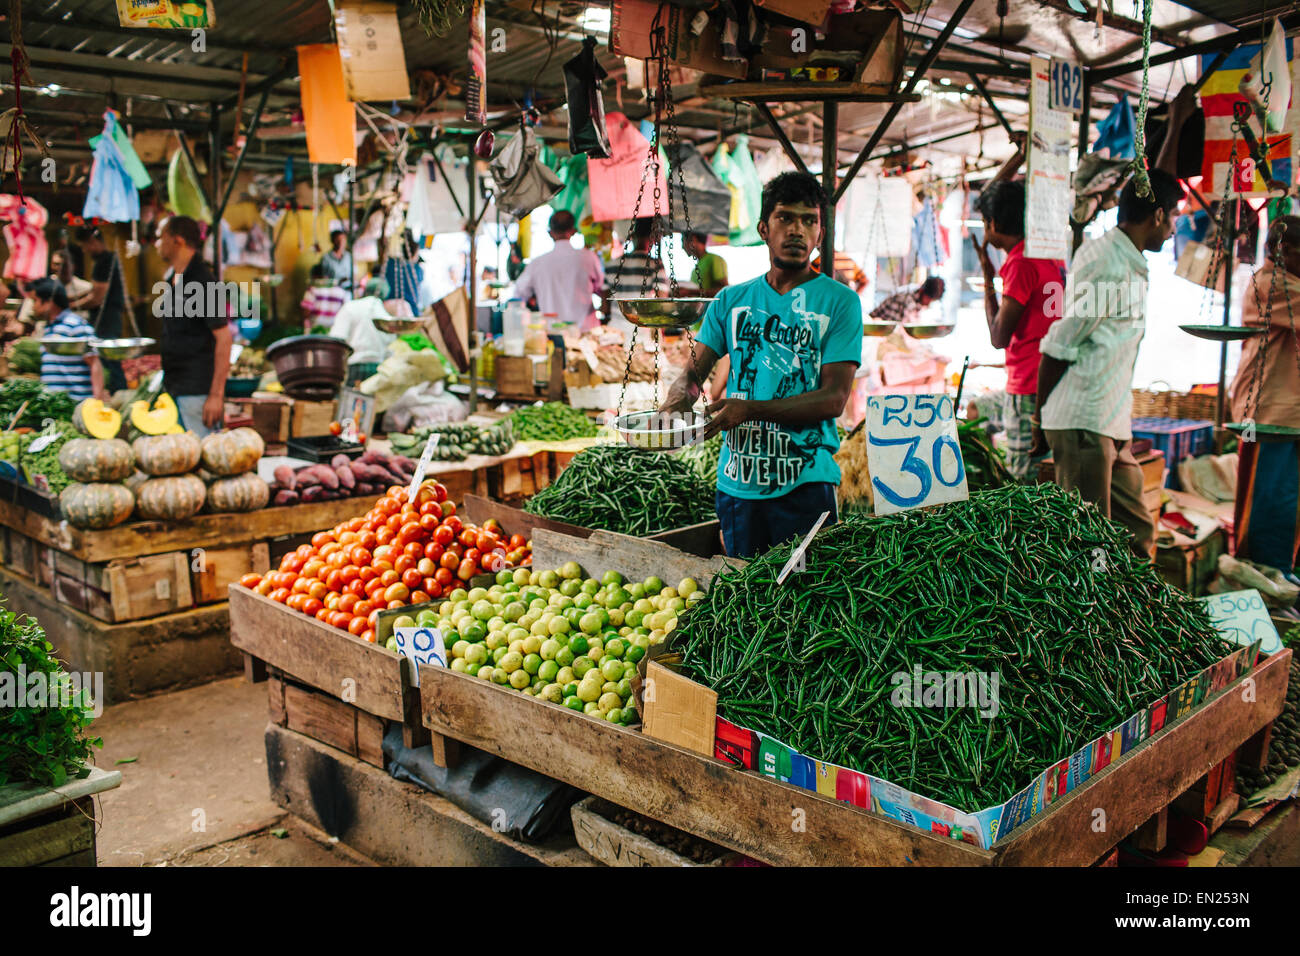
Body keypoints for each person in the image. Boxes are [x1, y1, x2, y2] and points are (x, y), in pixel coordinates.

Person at [662, 171, 862, 558]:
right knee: (749, 603)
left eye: (809, 221)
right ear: (763, 228)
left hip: (805, 485)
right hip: (738, 487)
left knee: (807, 605)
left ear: (820, 234)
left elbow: (834, 399)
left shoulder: (839, 302)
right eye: (785, 218)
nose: (797, 231)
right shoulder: (730, 301)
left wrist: (750, 409)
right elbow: (693, 373)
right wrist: (676, 400)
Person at [1035, 169, 1185, 560]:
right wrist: (1039, 420)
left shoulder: (1127, 259)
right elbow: (1060, 343)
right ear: (1157, 216)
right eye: (1174, 217)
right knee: (1090, 548)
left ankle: (1137, 616)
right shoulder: (1108, 263)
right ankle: (1084, 620)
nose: (1173, 229)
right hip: (1083, 420)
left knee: (1136, 534)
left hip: (1109, 423)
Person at [973, 180, 1067, 480]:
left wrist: (988, 281)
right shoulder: (1049, 253)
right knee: (976, 412)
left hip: (1028, 386)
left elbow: (999, 337)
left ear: (993, 223)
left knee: (1022, 484)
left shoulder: (1021, 263)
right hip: (1050, 383)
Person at [1228, 216, 1300, 583]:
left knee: (1287, 501)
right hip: (1266, 413)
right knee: (1265, 502)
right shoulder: (1270, 284)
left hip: (1288, 414)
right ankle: (1258, 579)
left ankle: (1280, 579)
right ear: (1285, 251)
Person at [154, 215, 233, 439]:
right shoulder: (172, 277)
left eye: (161, 237)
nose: (156, 243)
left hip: (198, 392)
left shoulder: (203, 282)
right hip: (174, 387)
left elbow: (224, 339)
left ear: (177, 240)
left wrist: (216, 396)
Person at [512, 210, 604, 332]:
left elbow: (518, 295)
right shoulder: (588, 257)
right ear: (573, 231)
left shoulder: (537, 264)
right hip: (587, 335)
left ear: (550, 233)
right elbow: (601, 289)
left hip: (552, 334)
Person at [70, 227, 128, 393]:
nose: (84, 250)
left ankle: (119, 393)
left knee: (109, 358)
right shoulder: (108, 260)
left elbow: (97, 298)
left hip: (107, 320)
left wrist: (72, 306)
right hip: (109, 318)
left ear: (93, 242)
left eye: (84, 246)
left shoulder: (104, 262)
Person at [34, 279, 105, 402]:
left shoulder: (76, 325)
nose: (33, 306)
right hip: (54, 404)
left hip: (76, 402)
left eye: (35, 301)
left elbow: (95, 363)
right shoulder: (49, 328)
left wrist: (97, 400)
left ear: (49, 302)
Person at [328, 278, 400, 386]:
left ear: (365, 290)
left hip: (354, 367)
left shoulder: (350, 307)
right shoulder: (385, 316)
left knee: (351, 401)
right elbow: (391, 350)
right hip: (378, 369)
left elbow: (337, 338)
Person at [603, 217, 669, 335]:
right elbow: (662, 303)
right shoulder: (656, 265)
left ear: (634, 234)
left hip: (614, 332)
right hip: (641, 333)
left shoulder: (612, 264)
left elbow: (604, 307)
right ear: (655, 237)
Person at [869, 276, 945, 325]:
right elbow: (904, 327)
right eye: (929, 300)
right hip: (877, 325)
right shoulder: (907, 299)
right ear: (922, 291)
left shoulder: (916, 294)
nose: (928, 304)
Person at [299, 261, 350, 333]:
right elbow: (345, 314)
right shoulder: (341, 292)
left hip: (315, 333)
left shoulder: (312, 290)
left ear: (315, 276)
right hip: (334, 332)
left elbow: (306, 312)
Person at [383, 232, 425, 317]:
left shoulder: (391, 264)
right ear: (413, 254)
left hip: (389, 309)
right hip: (411, 310)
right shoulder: (417, 269)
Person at [683, 231, 728, 297]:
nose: (682, 247)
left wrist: (690, 292)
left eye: (683, 242)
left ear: (693, 239)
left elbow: (723, 290)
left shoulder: (714, 259)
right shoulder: (699, 263)